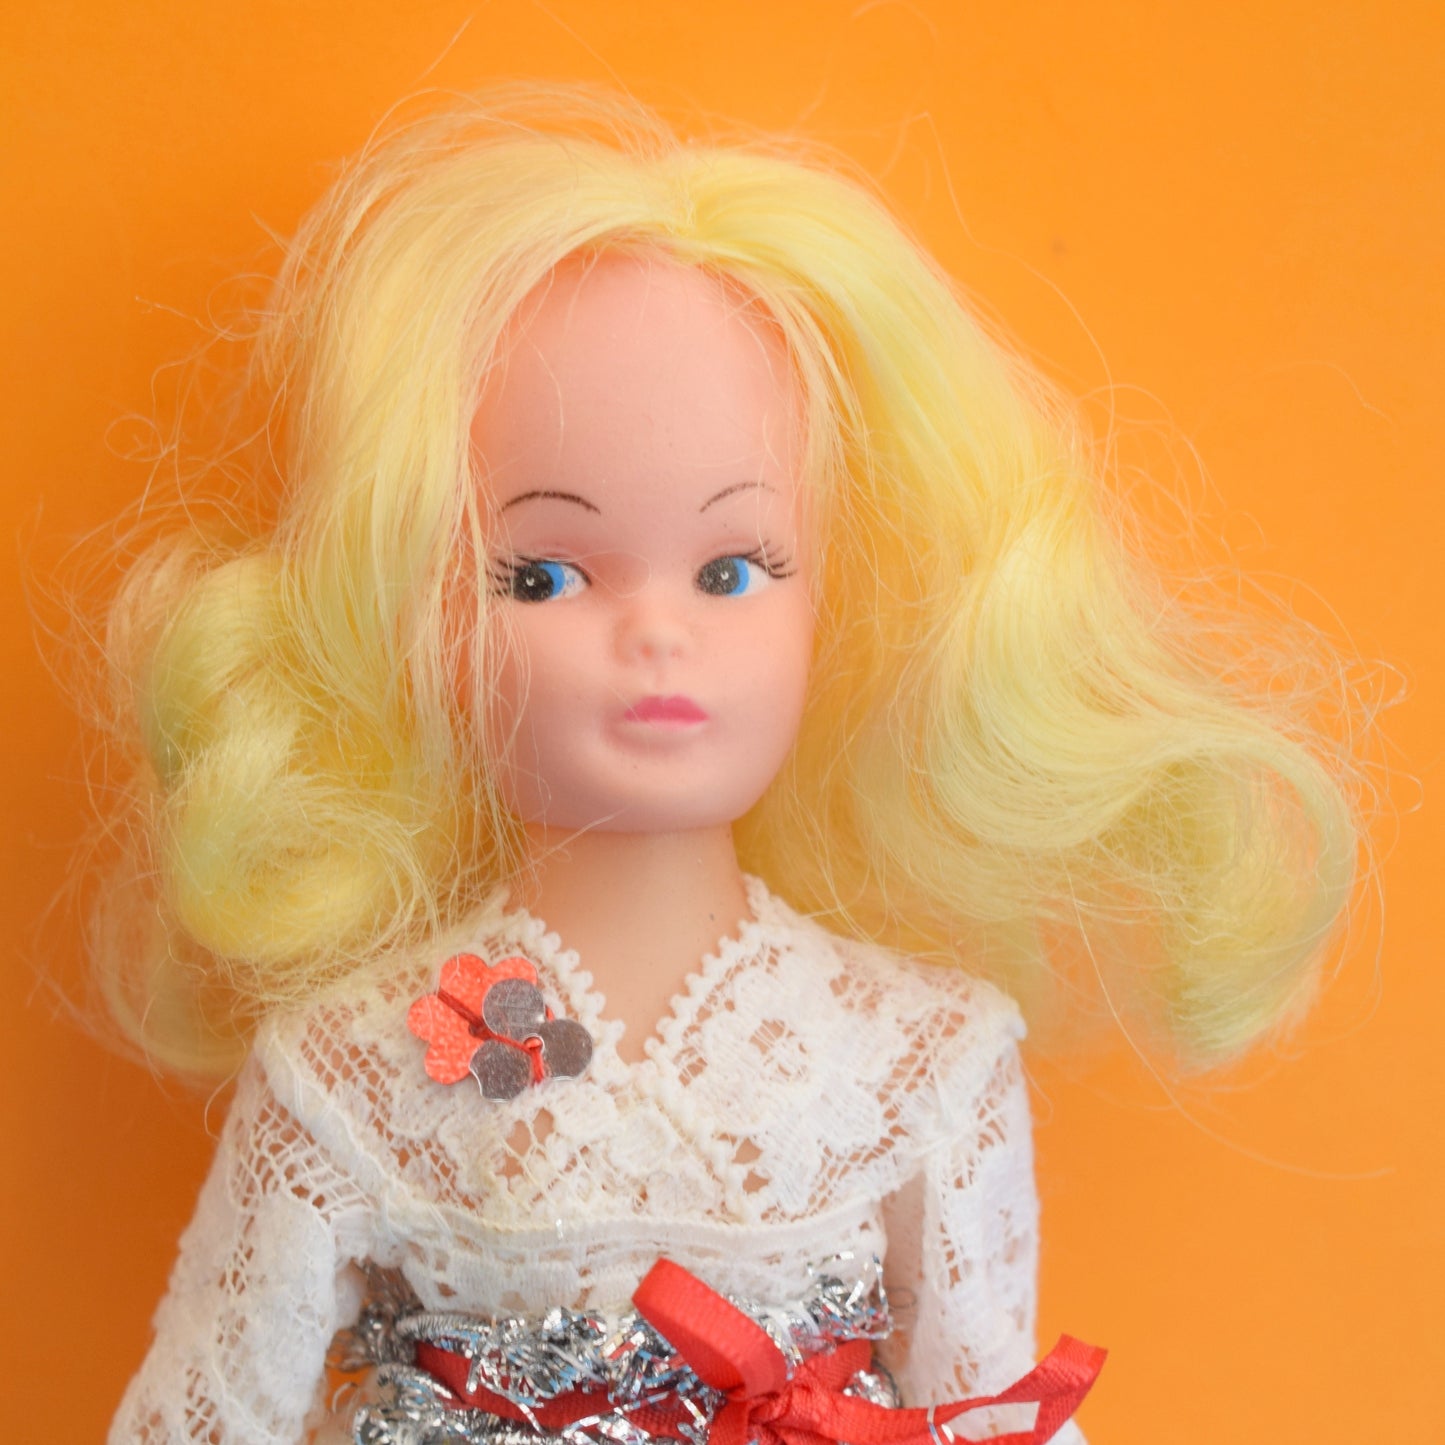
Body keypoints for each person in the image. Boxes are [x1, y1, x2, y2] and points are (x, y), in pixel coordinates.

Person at [95, 87, 1356, 1444]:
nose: (657, 633)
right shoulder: (353, 1070)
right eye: (544, 574)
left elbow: (983, 1401)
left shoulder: (919, 1058)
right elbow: (205, 1412)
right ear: (425, 614)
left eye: (732, 569)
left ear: (837, 605)